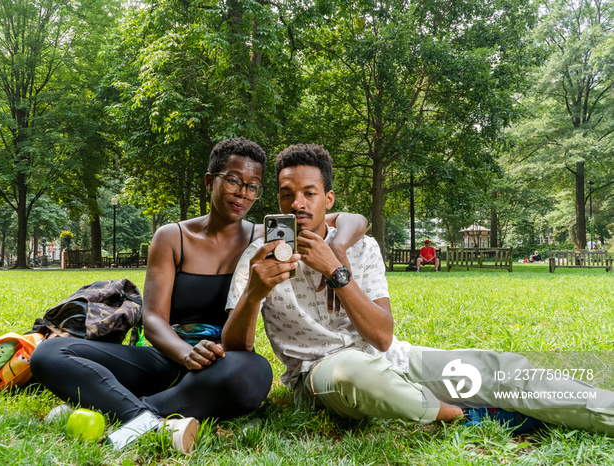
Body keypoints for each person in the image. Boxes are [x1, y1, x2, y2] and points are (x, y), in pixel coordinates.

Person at [222, 143, 614, 437]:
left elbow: (381, 336)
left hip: (396, 359)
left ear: (329, 200)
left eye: (309, 193)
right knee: (354, 372)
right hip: (320, 376)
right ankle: (460, 413)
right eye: (286, 194)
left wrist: (337, 271)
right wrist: (254, 292)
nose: (297, 204)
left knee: (501, 368)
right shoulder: (259, 257)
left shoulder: (361, 248)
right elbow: (237, 348)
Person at [30, 138, 368, 453]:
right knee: (49, 353)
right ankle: (147, 417)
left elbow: (353, 218)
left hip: (220, 362)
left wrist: (337, 249)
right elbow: (152, 320)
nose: (242, 193)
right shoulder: (172, 237)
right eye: (233, 180)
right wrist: (184, 354)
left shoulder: (265, 237)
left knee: (254, 373)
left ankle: (128, 407)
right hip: (165, 356)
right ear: (210, 181)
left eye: (252, 186)